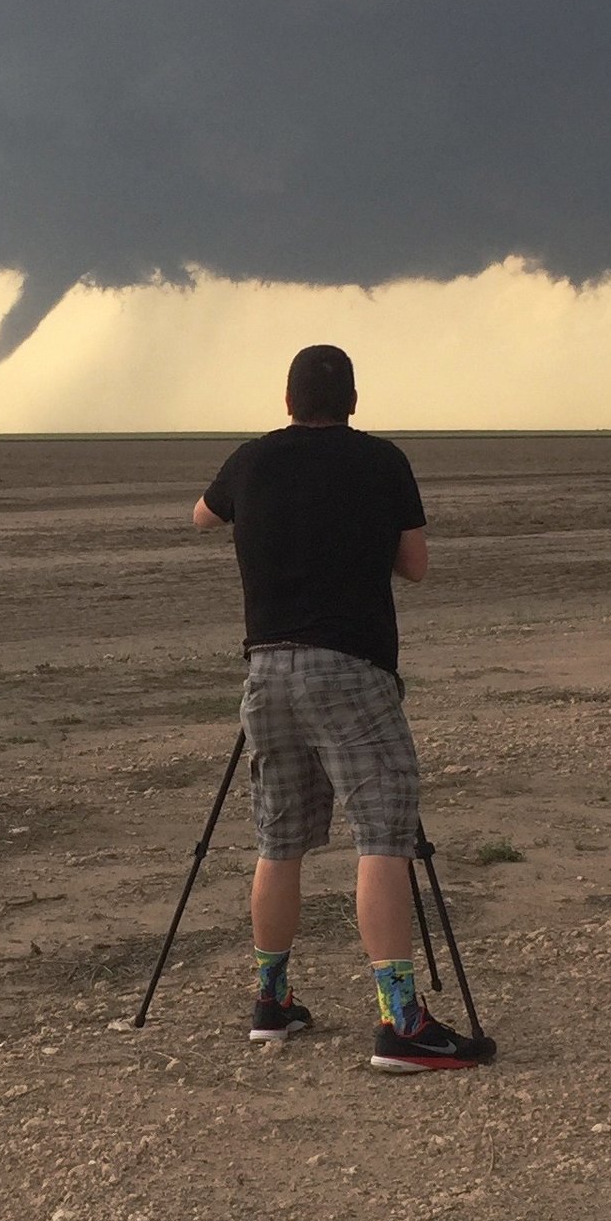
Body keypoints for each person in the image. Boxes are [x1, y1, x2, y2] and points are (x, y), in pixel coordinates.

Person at [193, 344, 493, 1073]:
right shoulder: (382, 462)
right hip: (352, 669)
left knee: (280, 838)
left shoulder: (252, 460)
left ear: (287, 399)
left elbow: (202, 516)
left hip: (267, 669)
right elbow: (416, 566)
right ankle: (401, 1021)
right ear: (353, 401)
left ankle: (272, 998)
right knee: (382, 834)